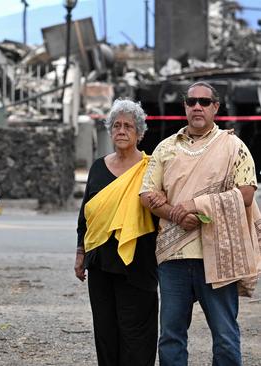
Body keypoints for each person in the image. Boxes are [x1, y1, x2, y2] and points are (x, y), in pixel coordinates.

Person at [140, 81, 261, 366]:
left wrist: (194, 206)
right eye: (191, 101)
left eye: (204, 102)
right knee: (171, 335)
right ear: (184, 106)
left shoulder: (233, 146)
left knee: (225, 335)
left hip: (219, 254)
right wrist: (175, 214)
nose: (197, 106)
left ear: (215, 107)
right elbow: (146, 194)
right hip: (174, 257)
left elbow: (246, 193)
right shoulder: (166, 148)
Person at [75, 98, 160, 366]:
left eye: (128, 127)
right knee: (106, 332)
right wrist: (80, 253)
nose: (121, 131)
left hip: (138, 264)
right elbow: (86, 213)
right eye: (116, 126)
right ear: (110, 131)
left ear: (140, 134)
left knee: (137, 335)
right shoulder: (98, 167)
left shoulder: (151, 169)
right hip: (100, 263)